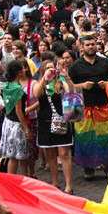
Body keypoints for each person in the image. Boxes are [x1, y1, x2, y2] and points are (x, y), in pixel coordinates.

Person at [69, 36, 108, 179]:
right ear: (82, 47)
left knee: (106, 137)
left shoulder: (105, 63)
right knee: (85, 138)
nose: (91, 47)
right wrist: (81, 86)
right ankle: (88, 168)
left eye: (93, 44)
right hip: (83, 109)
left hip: (103, 106)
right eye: (88, 45)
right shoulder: (76, 66)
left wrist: (107, 84)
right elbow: (68, 87)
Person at [33, 58, 75, 193]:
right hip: (46, 123)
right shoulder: (38, 83)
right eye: (47, 68)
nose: (50, 71)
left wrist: (67, 77)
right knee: (51, 154)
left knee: (64, 154)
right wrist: (44, 79)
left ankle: (69, 185)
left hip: (61, 122)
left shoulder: (61, 83)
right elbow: (36, 94)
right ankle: (55, 183)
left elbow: (72, 93)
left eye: (52, 68)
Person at [0, 60, 31, 174]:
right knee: (17, 156)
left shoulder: (8, 85)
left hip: (7, 122)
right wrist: (26, 128)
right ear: (19, 73)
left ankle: (16, 179)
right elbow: (19, 111)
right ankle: (18, 180)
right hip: (17, 124)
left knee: (12, 154)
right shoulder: (17, 88)